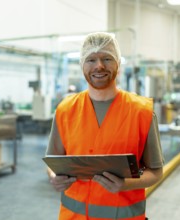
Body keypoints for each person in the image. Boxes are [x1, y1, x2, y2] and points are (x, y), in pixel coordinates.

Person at [46, 32, 164, 220]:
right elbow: (54, 161)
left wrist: (126, 184)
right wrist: (54, 177)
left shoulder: (142, 112)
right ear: (82, 65)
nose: (99, 66)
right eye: (91, 59)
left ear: (118, 63)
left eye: (107, 58)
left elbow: (156, 172)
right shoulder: (65, 110)